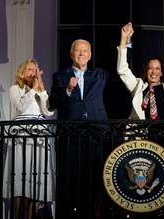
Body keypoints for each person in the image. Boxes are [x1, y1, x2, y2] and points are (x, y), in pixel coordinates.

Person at [117, 23, 164, 218]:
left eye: (158, 68)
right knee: (142, 188)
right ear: (146, 71)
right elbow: (122, 70)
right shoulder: (138, 87)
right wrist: (123, 41)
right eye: (151, 68)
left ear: (162, 72)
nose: (154, 72)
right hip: (142, 143)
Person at [49, 39, 108, 219]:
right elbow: (53, 103)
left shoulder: (99, 75)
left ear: (90, 55)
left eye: (85, 51)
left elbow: (122, 66)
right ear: (71, 54)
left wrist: (125, 43)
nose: (81, 53)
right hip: (70, 137)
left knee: (95, 182)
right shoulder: (60, 76)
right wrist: (67, 89)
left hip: (96, 135)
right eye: (78, 50)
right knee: (71, 183)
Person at [3, 59, 55, 218]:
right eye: (30, 69)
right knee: (20, 173)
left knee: (36, 176)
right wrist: (32, 90)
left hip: (39, 137)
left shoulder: (38, 91)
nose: (33, 72)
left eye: (35, 70)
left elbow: (48, 112)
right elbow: (20, 107)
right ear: (22, 72)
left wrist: (42, 89)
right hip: (22, 137)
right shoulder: (15, 89)